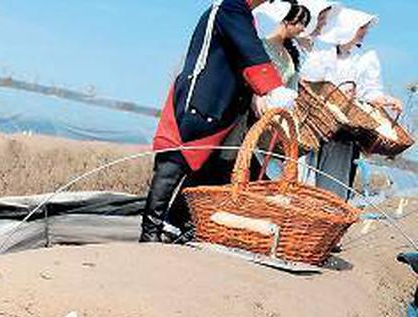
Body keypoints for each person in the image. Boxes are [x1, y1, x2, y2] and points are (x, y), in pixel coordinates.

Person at [140, 0, 297, 243]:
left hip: (223, 107)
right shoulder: (229, 7)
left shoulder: (244, 14)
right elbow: (249, 50)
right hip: (200, 99)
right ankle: (149, 233)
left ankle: (177, 225)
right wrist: (272, 88)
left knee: (211, 169)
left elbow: (245, 58)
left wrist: (263, 91)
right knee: (173, 164)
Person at [300, 8, 404, 199]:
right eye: (361, 28)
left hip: (345, 130)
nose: (364, 33)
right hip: (316, 124)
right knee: (306, 178)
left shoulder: (364, 58)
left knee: (334, 183)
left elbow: (370, 93)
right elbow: (310, 81)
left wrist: (388, 100)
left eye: (364, 29)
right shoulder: (323, 52)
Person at [253, 2, 313, 182]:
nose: (302, 28)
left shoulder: (290, 54)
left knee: (280, 166)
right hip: (260, 111)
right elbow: (251, 75)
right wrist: (257, 95)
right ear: (286, 20)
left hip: (281, 117)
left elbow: (292, 89)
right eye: (300, 22)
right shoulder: (261, 46)